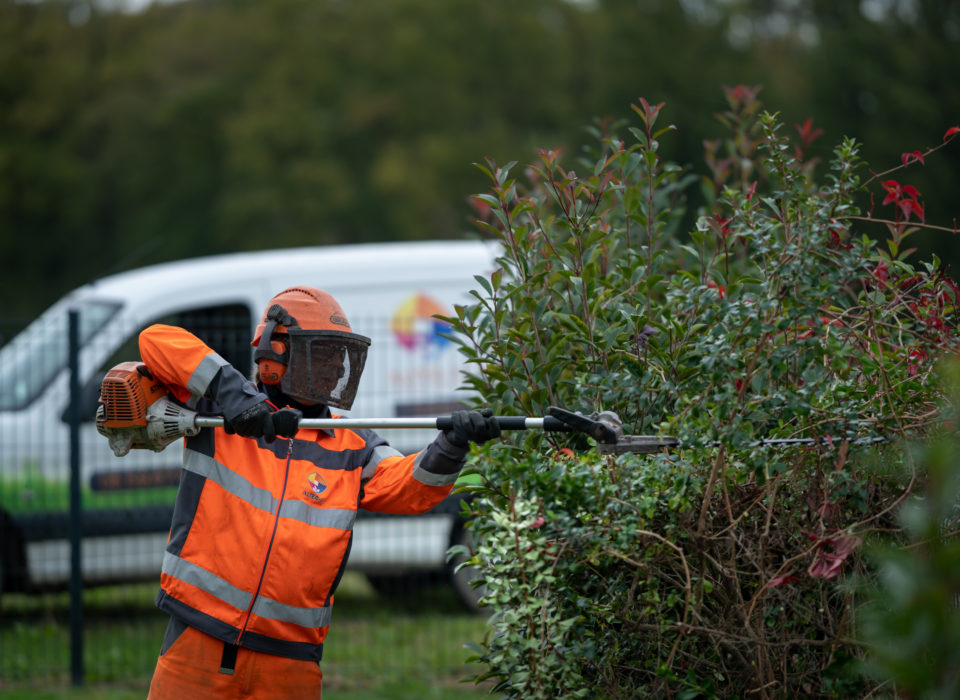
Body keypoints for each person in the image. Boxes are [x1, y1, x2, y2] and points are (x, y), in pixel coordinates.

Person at [140, 285, 500, 699]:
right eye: (323, 352)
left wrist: (451, 446)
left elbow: (409, 488)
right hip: (196, 642)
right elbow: (156, 339)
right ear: (275, 352)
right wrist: (231, 393)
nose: (335, 367)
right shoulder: (219, 416)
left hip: (290, 661)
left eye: (339, 355)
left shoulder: (353, 446)